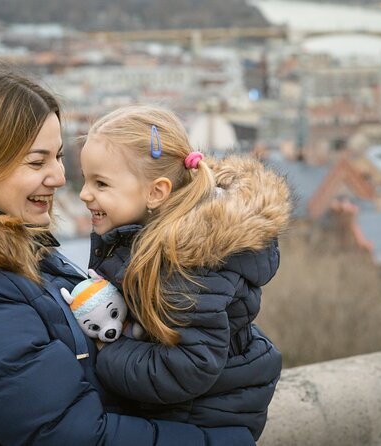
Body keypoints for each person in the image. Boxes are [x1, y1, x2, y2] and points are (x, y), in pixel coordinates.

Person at [0, 69, 255, 446]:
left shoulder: (11, 252)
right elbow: (74, 436)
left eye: (56, 156)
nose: (58, 177)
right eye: (38, 161)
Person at [78, 105, 291, 440]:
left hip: (204, 419)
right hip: (204, 405)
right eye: (85, 179)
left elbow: (189, 366)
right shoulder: (155, 239)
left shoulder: (181, 264)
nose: (84, 194)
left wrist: (110, 353)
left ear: (156, 192)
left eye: (100, 183)